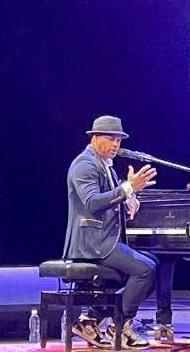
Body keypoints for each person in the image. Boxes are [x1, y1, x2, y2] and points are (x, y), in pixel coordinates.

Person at [63, 115, 158, 349]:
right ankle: (120, 325)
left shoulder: (106, 167)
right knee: (144, 269)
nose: (116, 144)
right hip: (91, 242)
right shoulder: (85, 165)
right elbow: (92, 202)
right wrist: (127, 188)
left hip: (105, 240)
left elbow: (111, 203)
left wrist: (129, 202)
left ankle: (91, 320)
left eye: (119, 140)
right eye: (111, 138)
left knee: (153, 264)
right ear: (95, 138)